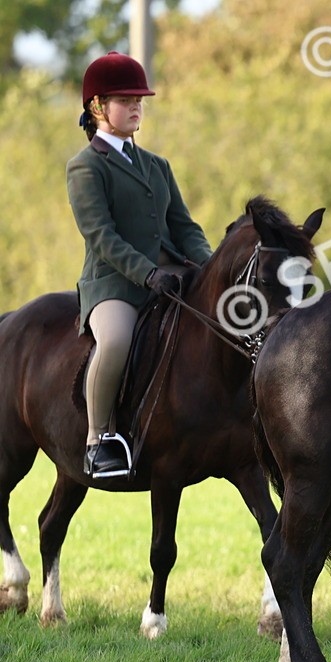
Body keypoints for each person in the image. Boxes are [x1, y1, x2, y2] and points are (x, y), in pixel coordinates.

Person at [68, 52, 212, 479]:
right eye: (126, 100)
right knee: (114, 341)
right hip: (115, 283)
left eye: (140, 100)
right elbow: (101, 235)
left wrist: (209, 270)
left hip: (171, 275)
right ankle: (98, 440)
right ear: (97, 108)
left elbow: (185, 227)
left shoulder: (157, 165)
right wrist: (146, 274)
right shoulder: (86, 166)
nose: (136, 108)